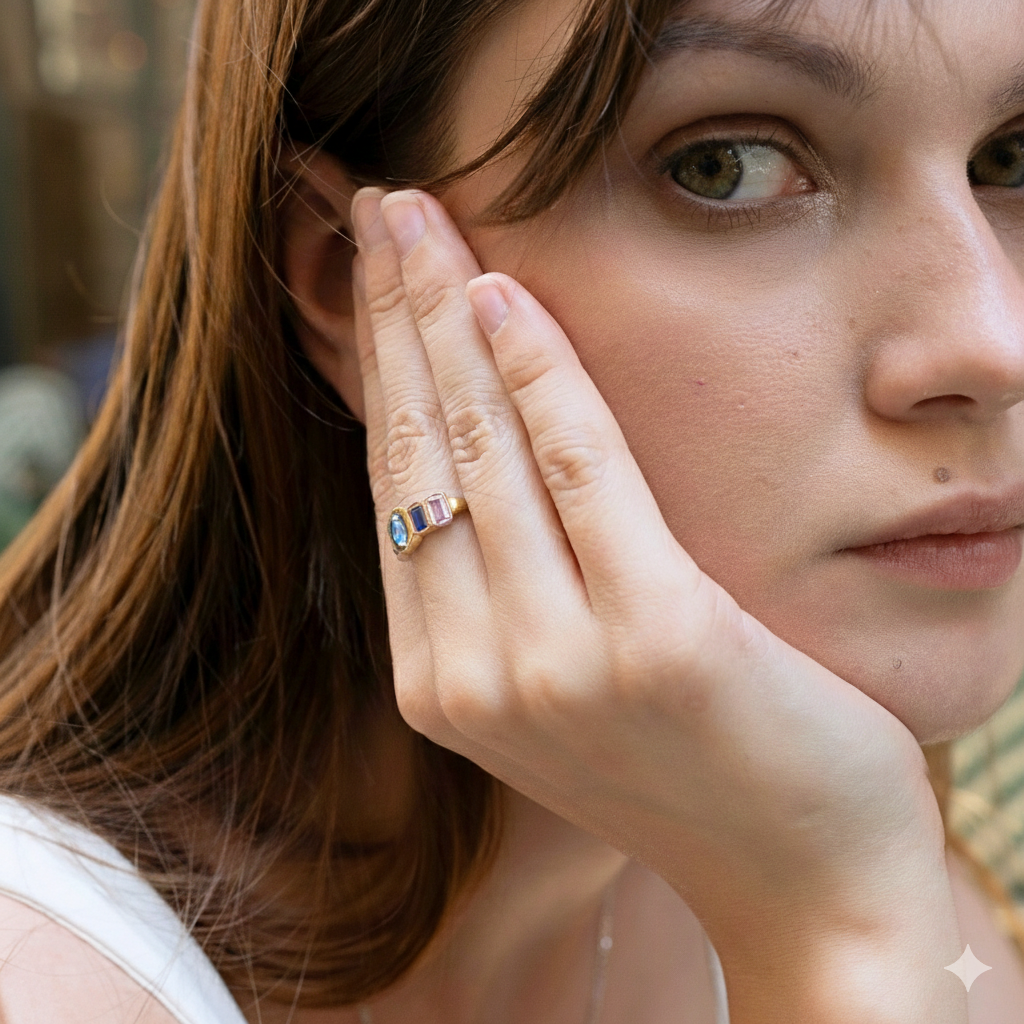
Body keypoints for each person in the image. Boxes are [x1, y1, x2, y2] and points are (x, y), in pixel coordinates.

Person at [0, 0, 1022, 1021]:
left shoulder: (866, 828)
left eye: (1011, 159)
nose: (992, 342)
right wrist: (845, 945)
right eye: (728, 164)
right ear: (352, 280)